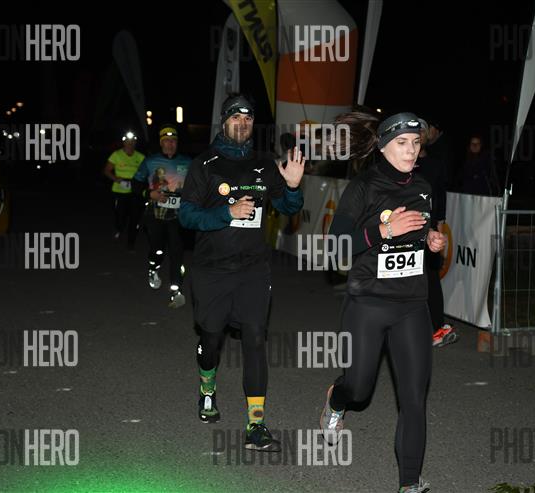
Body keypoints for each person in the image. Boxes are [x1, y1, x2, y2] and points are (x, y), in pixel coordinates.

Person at [319, 112, 446, 493]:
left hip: (412, 305)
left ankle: (409, 483)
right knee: (359, 390)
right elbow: (336, 248)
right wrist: (384, 230)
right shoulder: (363, 187)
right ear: (382, 146)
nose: (411, 150)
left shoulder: (423, 187)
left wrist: (431, 240)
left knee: (414, 398)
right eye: (402, 143)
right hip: (368, 303)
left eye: (416, 143)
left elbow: (423, 229)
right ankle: (336, 399)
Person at [178, 94, 305, 451]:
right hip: (212, 270)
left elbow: (288, 208)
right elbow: (186, 215)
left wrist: (293, 187)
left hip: (252, 270)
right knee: (211, 339)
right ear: (224, 121)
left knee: (255, 338)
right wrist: (226, 213)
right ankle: (207, 387)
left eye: (248, 118)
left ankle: (256, 425)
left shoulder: (264, 164)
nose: (243, 122)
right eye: (236, 116)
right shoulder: (204, 164)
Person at [132, 124, 192, 307]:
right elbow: (136, 184)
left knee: (177, 252)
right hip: (156, 214)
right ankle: (153, 267)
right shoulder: (150, 161)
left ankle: (176, 291)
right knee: (157, 249)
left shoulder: (188, 162)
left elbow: (198, 186)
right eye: (166, 141)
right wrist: (149, 193)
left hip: (178, 216)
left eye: (173, 141)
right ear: (161, 143)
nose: (170, 144)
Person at [416, 126, 458, 348]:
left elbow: (440, 197)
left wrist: (439, 226)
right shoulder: (401, 164)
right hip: (401, 229)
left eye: (422, 131)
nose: (418, 136)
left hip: (428, 229)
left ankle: (438, 327)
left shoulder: (435, 165)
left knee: (431, 278)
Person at [103, 131, 145, 250]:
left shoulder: (140, 157)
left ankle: (131, 242)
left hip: (135, 190)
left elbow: (146, 172)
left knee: (135, 216)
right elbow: (106, 171)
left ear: (135, 143)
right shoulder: (116, 155)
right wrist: (117, 179)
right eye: (128, 141)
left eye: (132, 142)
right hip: (119, 190)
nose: (130, 144)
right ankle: (119, 228)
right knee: (120, 216)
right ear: (124, 142)